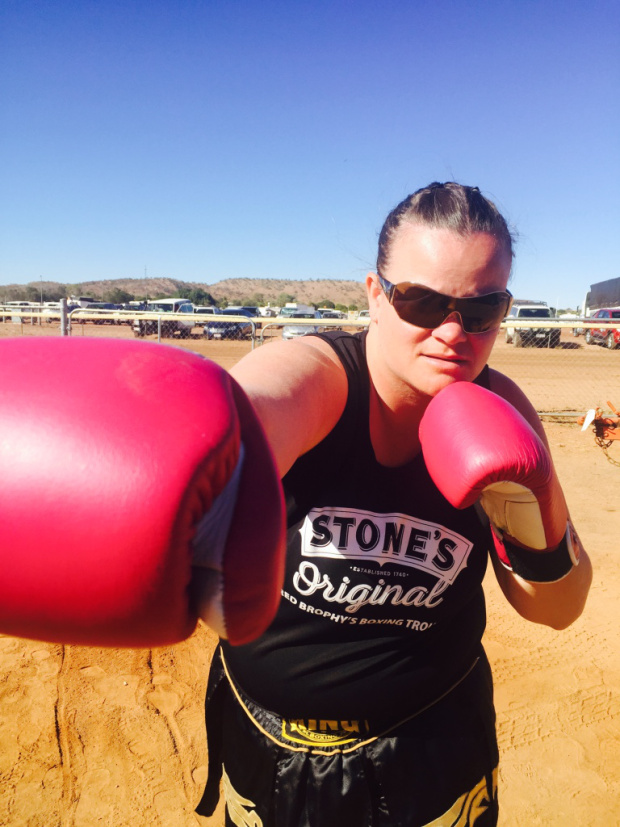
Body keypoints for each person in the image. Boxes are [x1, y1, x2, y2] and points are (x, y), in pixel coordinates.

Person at [195, 182, 592, 826]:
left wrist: (528, 509)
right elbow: (246, 414)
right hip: (266, 745)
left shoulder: (503, 410)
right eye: (423, 301)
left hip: (432, 745)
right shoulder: (319, 378)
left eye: (482, 309)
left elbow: (559, 608)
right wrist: (202, 450)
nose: (453, 332)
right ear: (376, 297)